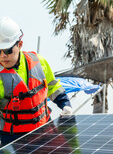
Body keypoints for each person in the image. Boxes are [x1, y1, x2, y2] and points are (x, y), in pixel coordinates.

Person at [0, 16, 72, 146]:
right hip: (11, 139)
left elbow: (53, 86)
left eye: (7, 50)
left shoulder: (38, 62)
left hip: (44, 130)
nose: (3, 56)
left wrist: (65, 104)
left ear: (19, 44)